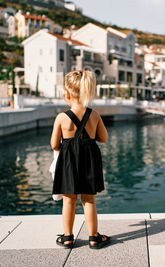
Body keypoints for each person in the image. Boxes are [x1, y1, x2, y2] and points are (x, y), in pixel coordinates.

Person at [50, 70, 110, 249]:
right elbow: (104, 138)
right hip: (89, 159)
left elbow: (54, 144)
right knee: (89, 199)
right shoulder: (94, 115)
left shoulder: (61, 117)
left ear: (67, 93)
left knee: (69, 199)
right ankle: (94, 237)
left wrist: (68, 148)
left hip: (69, 160)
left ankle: (68, 237)